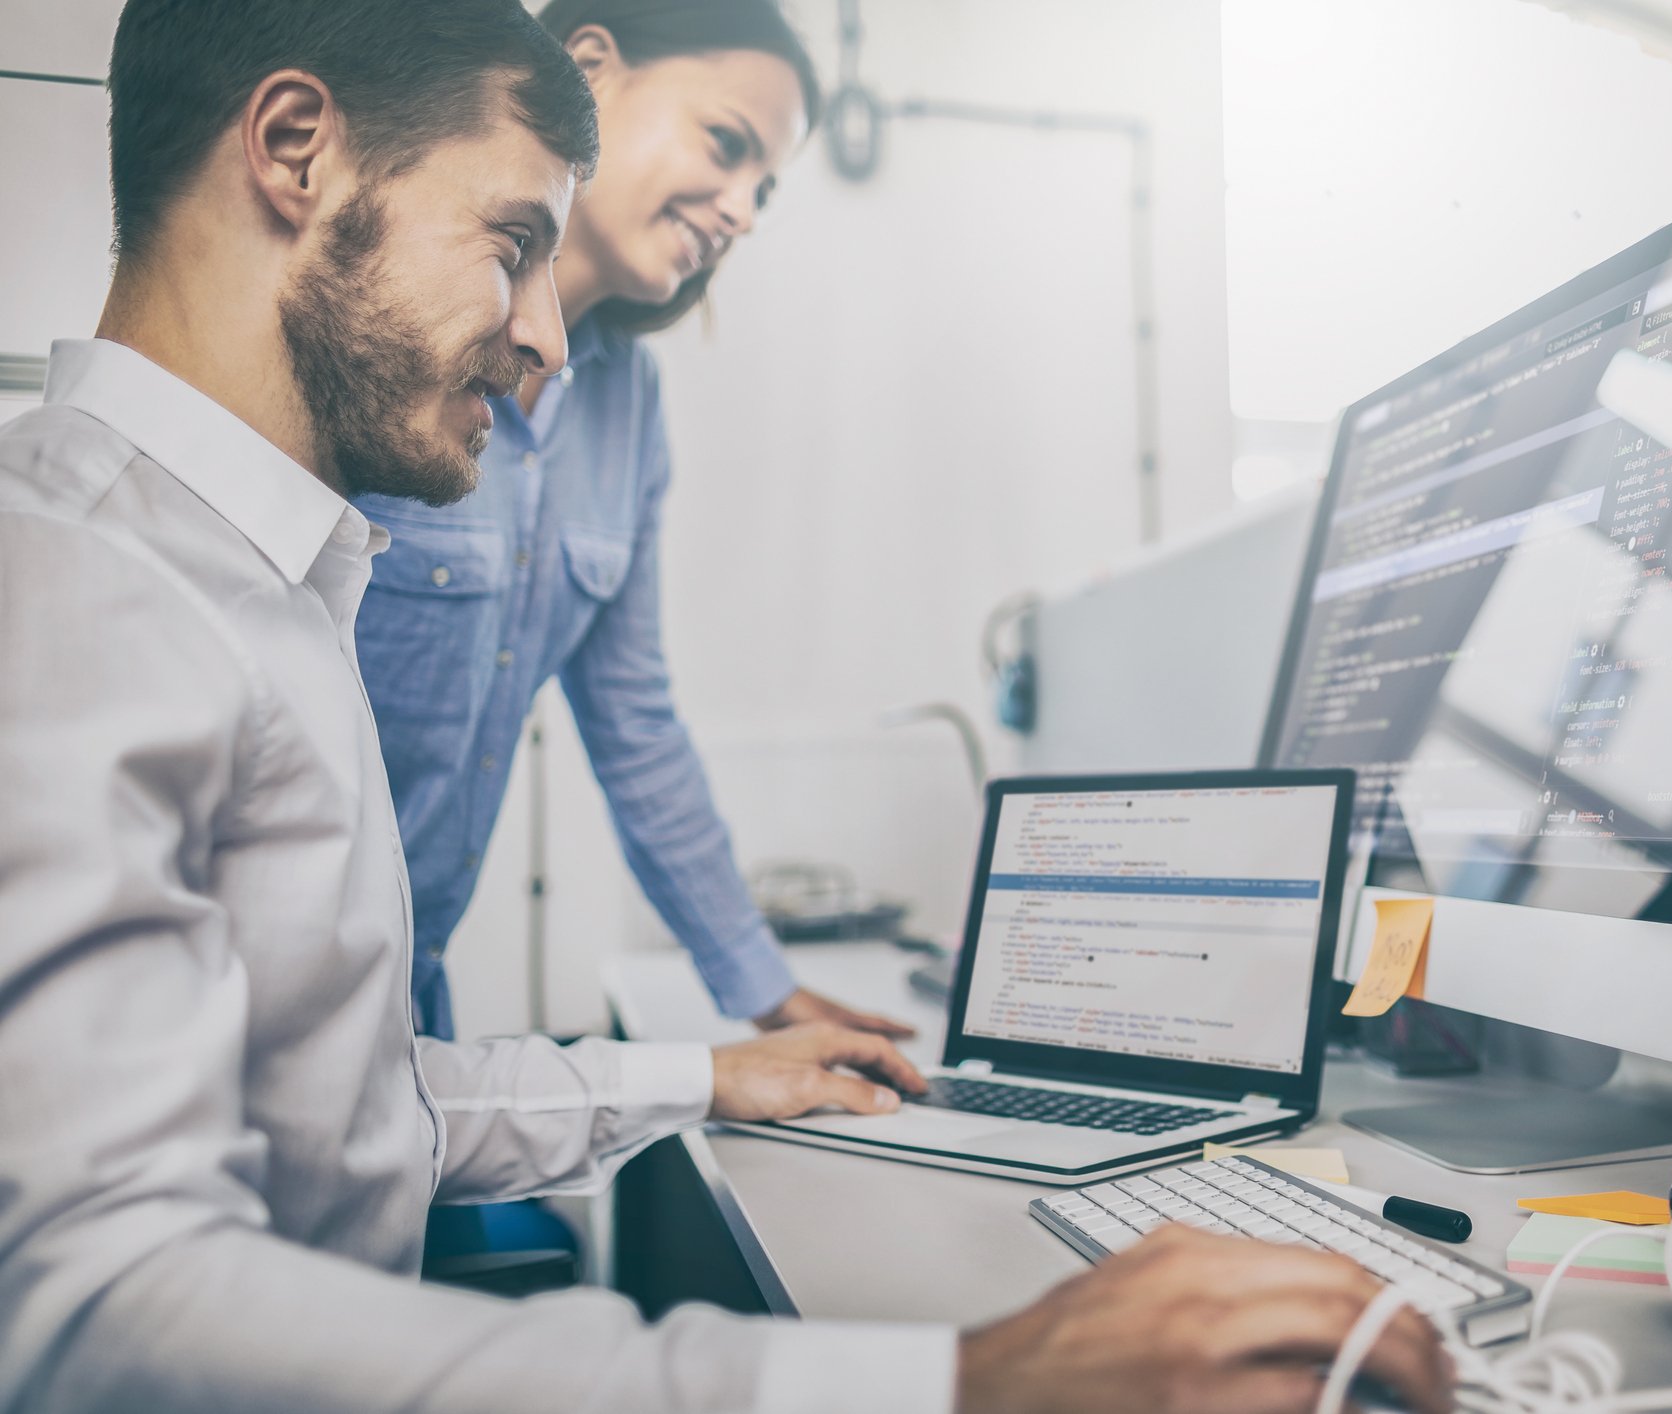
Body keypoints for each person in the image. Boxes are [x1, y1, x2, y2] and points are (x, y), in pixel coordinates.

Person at [0, 1, 1458, 1411]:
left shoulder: (287, 574)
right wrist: (961, 1381)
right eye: (514, 243)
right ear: (296, 145)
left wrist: (713, 1065)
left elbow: (359, 1112)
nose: (541, 347)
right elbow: (104, 1308)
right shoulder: (70, 583)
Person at [353, 0, 902, 1045]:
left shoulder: (628, 405)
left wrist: (762, 989)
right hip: (246, 992)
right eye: (727, 145)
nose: (742, 209)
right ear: (589, 71)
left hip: (408, 1000)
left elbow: (635, 725)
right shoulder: (382, 319)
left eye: (764, 191)